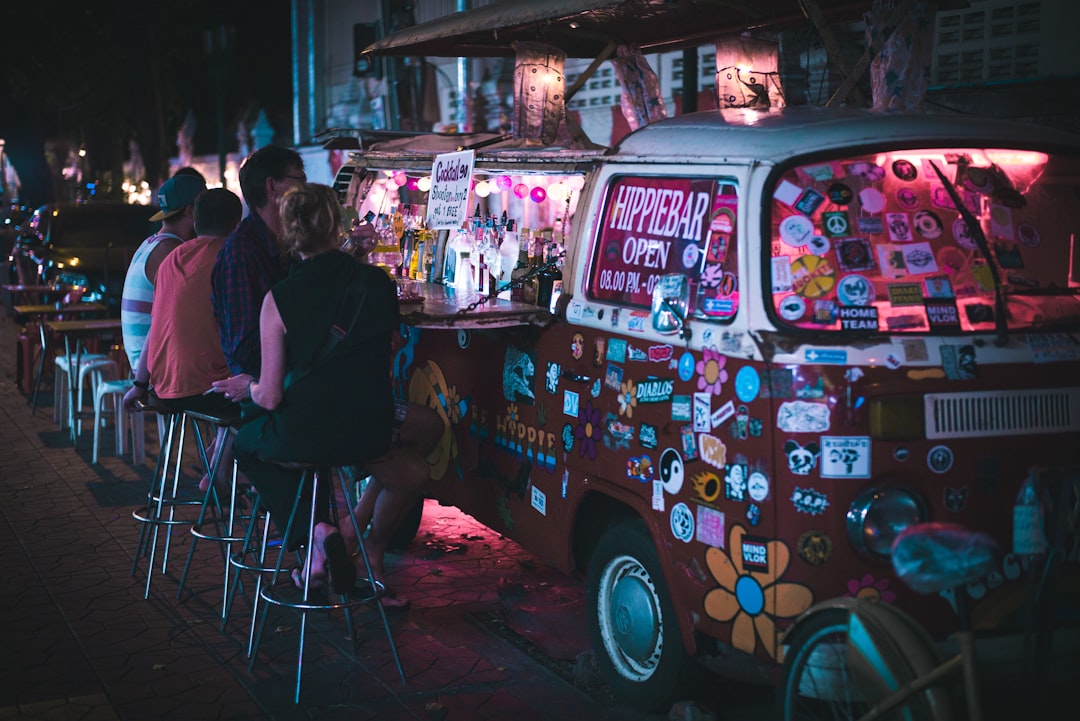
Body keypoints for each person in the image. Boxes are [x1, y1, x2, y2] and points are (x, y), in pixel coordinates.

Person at [225, 183, 399, 594]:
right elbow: (390, 348)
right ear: (337, 225)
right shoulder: (378, 283)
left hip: (308, 432)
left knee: (246, 446)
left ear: (287, 232)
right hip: (371, 429)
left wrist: (244, 385)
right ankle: (320, 546)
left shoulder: (279, 298)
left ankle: (316, 532)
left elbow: (269, 396)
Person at [122, 189, 244, 484]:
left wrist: (139, 384)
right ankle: (224, 472)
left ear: (196, 218)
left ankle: (219, 464)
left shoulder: (172, 257)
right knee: (263, 397)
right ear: (237, 223)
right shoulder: (233, 258)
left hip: (162, 387)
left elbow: (157, 324)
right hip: (206, 390)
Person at [211, 144, 306, 393]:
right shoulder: (242, 253)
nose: (306, 190)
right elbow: (245, 351)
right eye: (300, 180)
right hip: (261, 388)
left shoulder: (293, 241)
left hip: (296, 376)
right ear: (272, 186)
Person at [120, 172, 207, 372]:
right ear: (192, 212)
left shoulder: (151, 243)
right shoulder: (173, 252)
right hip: (156, 370)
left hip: (145, 364)